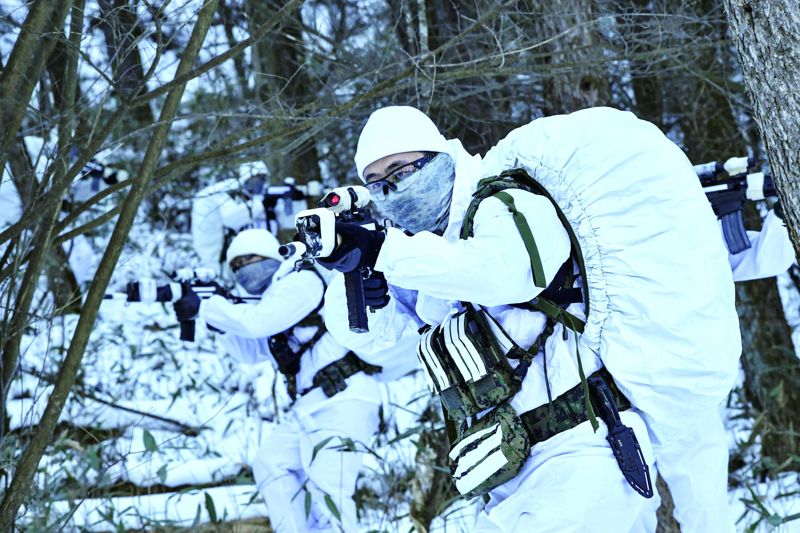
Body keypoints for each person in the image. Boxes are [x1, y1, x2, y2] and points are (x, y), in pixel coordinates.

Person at [319, 106, 746, 532]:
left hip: (585, 451)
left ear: (437, 157)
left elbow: (509, 273)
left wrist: (383, 252)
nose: (392, 190)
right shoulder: (423, 252)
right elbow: (371, 338)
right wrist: (355, 273)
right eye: (377, 184)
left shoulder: (503, 201)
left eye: (400, 170)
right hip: (511, 467)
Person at [173, 228, 413, 532]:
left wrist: (208, 306)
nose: (242, 268)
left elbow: (258, 323)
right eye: (236, 266)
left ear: (272, 256)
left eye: (249, 259)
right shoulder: (272, 301)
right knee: (271, 464)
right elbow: (251, 350)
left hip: (345, 400)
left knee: (330, 494)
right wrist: (217, 321)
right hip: (311, 405)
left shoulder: (302, 280)